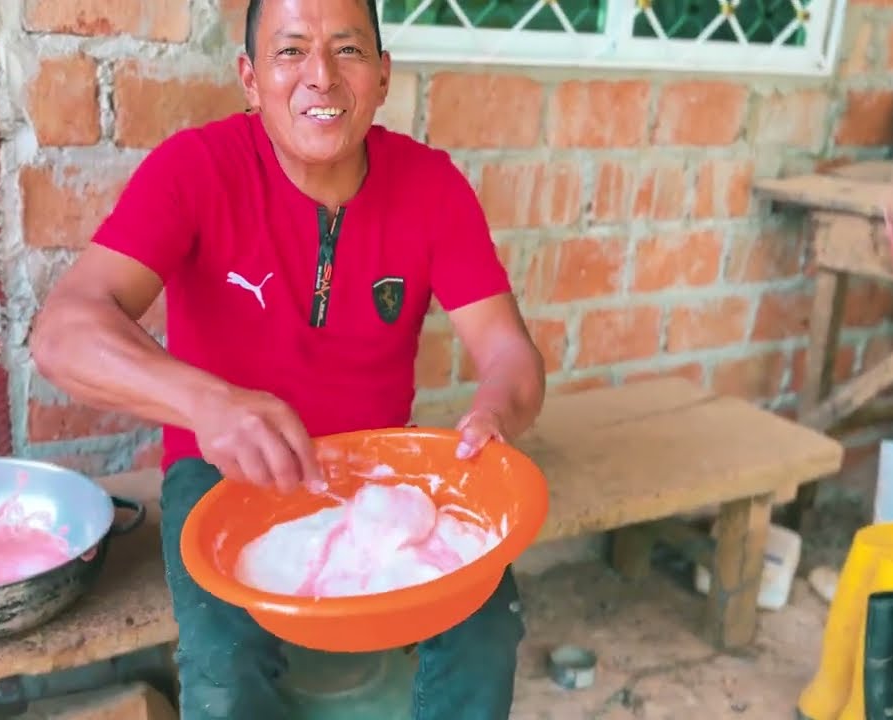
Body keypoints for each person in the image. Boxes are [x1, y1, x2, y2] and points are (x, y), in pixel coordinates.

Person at [30, 0, 547, 716]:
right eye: (290, 51)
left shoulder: (432, 186)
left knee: (486, 625)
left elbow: (508, 352)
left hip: (379, 471)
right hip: (220, 474)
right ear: (250, 78)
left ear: (384, 73)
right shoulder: (195, 168)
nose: (321, 78)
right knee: (225, 665)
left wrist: (498, 408)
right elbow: (61, 333)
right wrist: (206, 403)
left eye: (348, 51)